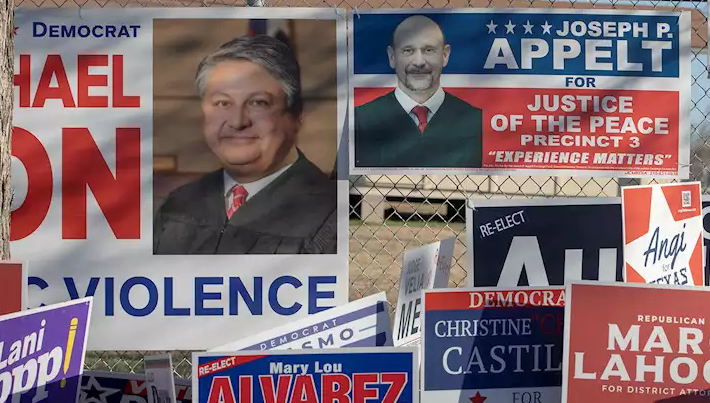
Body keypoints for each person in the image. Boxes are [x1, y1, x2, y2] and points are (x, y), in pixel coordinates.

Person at [153, 34, 340, 254]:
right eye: (223, 103)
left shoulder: (331, 216)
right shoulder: (179, 204)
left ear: (295, 115)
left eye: (258, 103)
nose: (238, 121)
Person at [354, 14, 484, 169]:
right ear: (392, 56)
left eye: (429, 50)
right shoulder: (362, 118)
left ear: (445, 55)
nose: (419, 62)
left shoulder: (474, 118)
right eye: (408, 50)